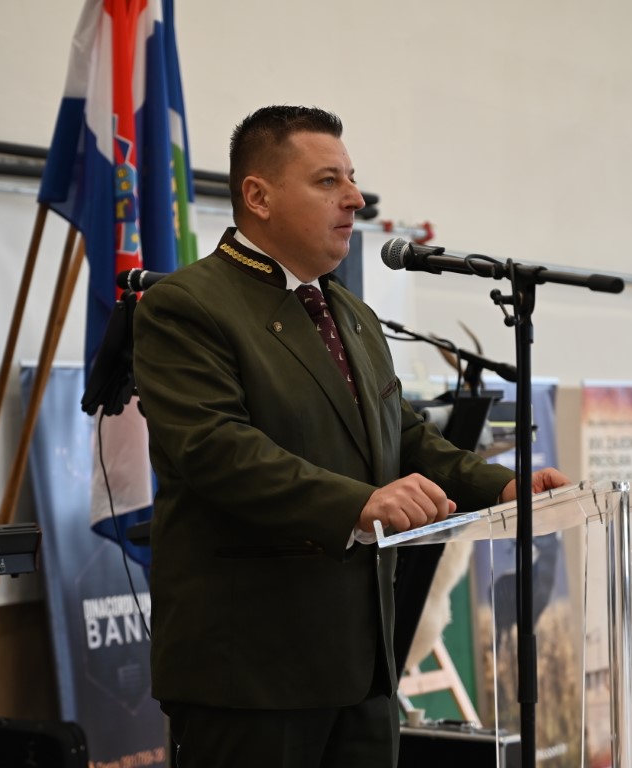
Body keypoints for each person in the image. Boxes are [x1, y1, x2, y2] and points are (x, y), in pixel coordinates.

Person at [132, 105, 569, 768]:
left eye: (352, 178)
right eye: (328, 180)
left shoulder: (350, 312)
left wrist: (504, 486)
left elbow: (404, 436)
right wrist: (358, 504)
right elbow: (216, 449)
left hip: (363, 665)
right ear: (259, 197)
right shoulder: (188, 305)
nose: (355, 198)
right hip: (251, 670)